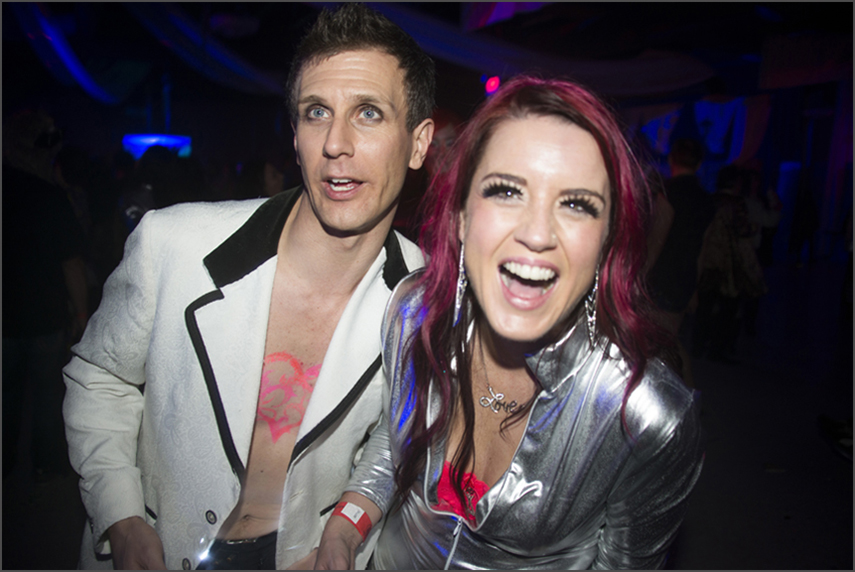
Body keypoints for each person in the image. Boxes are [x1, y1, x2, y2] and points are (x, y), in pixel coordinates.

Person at [62, 4, 435, 570]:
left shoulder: (424, 298)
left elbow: (397, 434)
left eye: (368, 113)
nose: (336, 143)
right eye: (317, 112)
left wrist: (347, 527)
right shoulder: (174, 245)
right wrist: (122, 515)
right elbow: (100, 378)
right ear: (296, 136)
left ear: (418, 143)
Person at [312, 76, 703, 570]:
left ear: (607, 241)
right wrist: (344, 530)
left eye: (576, 204)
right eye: (506, 191)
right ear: (461, 215)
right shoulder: (412, 313)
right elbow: (395, 442)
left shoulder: (644, 415)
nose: (537, 234)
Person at [3, 109, 88, 483]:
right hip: (45, 313)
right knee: (47, 395)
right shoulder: (49, 196)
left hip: (10, 314)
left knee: (7, 395)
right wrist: (82, 314)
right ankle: (45, 463)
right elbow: (72, 263)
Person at [646, 138, 715, 386]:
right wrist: (694, 288)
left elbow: (657, 238)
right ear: (699, 164)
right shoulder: (706, 200)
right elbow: (702, 249)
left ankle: (683, 395)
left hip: (661, 276)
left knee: (657, 343)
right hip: (684, 277)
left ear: (672, 160)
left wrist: (640, 274)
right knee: (668, 340)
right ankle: (686, 393)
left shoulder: (668, 193)